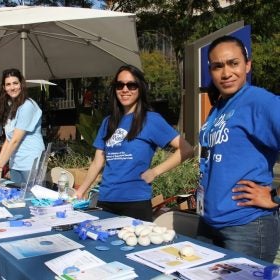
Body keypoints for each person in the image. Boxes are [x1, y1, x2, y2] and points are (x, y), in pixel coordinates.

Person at [197, 35, 280, 262]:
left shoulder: (259, 101)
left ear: (248, 65)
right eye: (218, 66)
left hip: (246, 227)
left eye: (234, 63)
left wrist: (274, 196)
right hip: (209, 224)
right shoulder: (219, 108)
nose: (226, 73)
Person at [75, 64, 193, 221]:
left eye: (131, 85)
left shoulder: (151, 120)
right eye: (119, 85)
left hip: (135, 202)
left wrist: (155, 172)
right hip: (106, 199)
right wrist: (81, 190)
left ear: (140, 88)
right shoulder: (108, 122)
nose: (125, 90)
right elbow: (98, 162)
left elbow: (187, 149)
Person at [0, 68, 45, 184]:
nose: (12, 87)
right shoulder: (12, 107)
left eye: (15, 83)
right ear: (4, 88)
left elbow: (15, 140)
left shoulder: (27, 105)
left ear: (21, 84)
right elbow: (8, 140)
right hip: (15, 163)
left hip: (31, 162)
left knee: (33, 199)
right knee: (16, 200)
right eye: (8, 84)